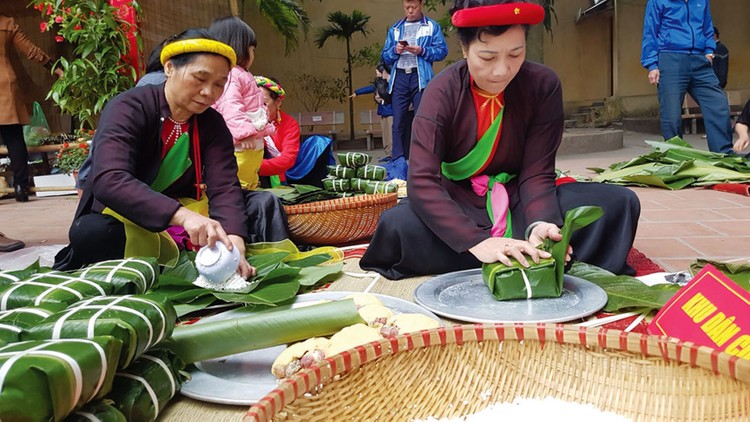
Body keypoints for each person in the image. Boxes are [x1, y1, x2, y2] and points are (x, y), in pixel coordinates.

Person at [360, 0, 640, 280]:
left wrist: (540, 224)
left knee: (617, 204)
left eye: (516, 54)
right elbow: (422, 182)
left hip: (521, 198)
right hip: (460, 201)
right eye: (488, 57)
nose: (502, 71)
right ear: (465, 49)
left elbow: (537, 173)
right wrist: (476, 242)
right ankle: (498, 254)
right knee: (398, 225)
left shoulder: (543, 85)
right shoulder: (440, 92)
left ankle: (511, 250)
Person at [53, 28, 254, 278]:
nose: (209, 92)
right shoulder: (128, 107)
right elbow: (109, 179)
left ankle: (208, 257)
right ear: (169, 68)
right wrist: (182, 217)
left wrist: (235, 244)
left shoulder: (212, 123)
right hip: (133, 216)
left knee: (259, 206)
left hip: (189, 212)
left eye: (219, 84)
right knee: (93, 233)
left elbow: (224, 187)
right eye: (200, 79)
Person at [209, 17, 290, 243]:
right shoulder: (232, 75)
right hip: (240, 145)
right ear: (236, 46)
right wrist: (244, 132)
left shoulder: (241, 74)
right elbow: (230, 107)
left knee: (249, 184)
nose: (253, 54)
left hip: (250, 147)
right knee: (240, 189)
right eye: (251, 49)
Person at [641, 0, 733, 154]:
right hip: (670, 58)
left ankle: (723, 153)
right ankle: (676, 154)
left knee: (718, 103)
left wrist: (709, 52)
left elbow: (707, 28)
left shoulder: (701, 1)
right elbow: (650, 32)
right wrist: (652, 65)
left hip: (699, 59)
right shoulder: (658, 1)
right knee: (671, 113)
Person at [0, 15, 63, 202]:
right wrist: (56, 69)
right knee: (14, 137)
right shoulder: (7, 23)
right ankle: (21, 187)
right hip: (6, 85)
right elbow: (30, 50)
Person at [381, 0, 448, 159]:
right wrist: (395, 51)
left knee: (421, 120)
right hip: (400, 77)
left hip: (420, 77)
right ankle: (397, 159)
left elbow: (442, 51)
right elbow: (385, 56)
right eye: (406, 8)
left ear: (421, 5)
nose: (410, 11)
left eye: (413, 7)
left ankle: (422, 158)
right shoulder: (396, 29)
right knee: (398, 121)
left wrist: (422, 50)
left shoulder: (431, 26)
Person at [255, 76, 301, 188]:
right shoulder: (243, 123)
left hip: (276, 176)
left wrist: (253, 166)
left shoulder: (289, 124)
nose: (258, 108)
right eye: (254, 102)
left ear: (278, 102)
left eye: (264, 103)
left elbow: (288, 159)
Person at [351, 60, 394, 156]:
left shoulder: (389, 82)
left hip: (391, 111)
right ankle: (387, 152)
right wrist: (357, 92)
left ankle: (392, 152)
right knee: (385, 133)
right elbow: (369, 88)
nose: (376, 71)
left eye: (379, 70)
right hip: (383, 111)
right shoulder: (378, 83)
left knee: (391, 133)